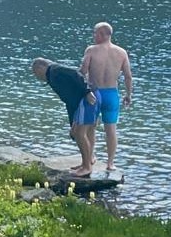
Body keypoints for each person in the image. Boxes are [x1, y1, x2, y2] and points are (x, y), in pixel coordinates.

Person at [31, 57, 99, 177]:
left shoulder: (55, 70)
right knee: (82, 131)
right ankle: (87, 162)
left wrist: (87, 91)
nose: (36, 77)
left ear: (40, 67)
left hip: (87, 98)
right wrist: (72, 122)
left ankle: (87, 167)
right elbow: (69, 101)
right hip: (81, 101)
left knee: (80, 133)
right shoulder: (51, 77)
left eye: (35, 73)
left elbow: (76, 74)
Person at [79, 22, 133, 172]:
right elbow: (128, 76)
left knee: (90, 126)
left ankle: (90, 157)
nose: (94, 36)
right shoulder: (121, 53)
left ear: (103, 34)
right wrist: (128, 95)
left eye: (95, 33)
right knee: (111, 129)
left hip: (94, 93)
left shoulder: (91, 50)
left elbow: (82, 71)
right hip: (111, 94)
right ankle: (110, 163)